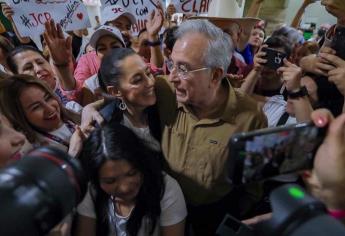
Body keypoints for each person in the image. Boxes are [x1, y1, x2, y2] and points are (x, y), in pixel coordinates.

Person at [154, 19, 267, 235]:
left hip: (212, 219)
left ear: (214, 75)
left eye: (183, 68)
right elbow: (122, 97)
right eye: (172, 64)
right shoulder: (164, 90)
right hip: (164, 212)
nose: (172, 77)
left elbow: (252, 187)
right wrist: (92, 109)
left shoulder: (250, 118)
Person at [75, 122, 187, 236]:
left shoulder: (166, 188)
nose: (125, 188)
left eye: (132, 173)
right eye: (110, 181)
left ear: (141, 163)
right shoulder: (90, 189)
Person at [96, 47, 161, 152]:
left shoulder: (164, 99)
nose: (150, 82)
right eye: (137, 80)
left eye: (148, 73)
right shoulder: (108, 126)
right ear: (116, 91)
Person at [0, 75, 83, 156]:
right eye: (36, 107)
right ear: (19, 117)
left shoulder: (73, 112)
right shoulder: (29, 150)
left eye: (47, 98)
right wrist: (73, 152)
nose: (50, 109)